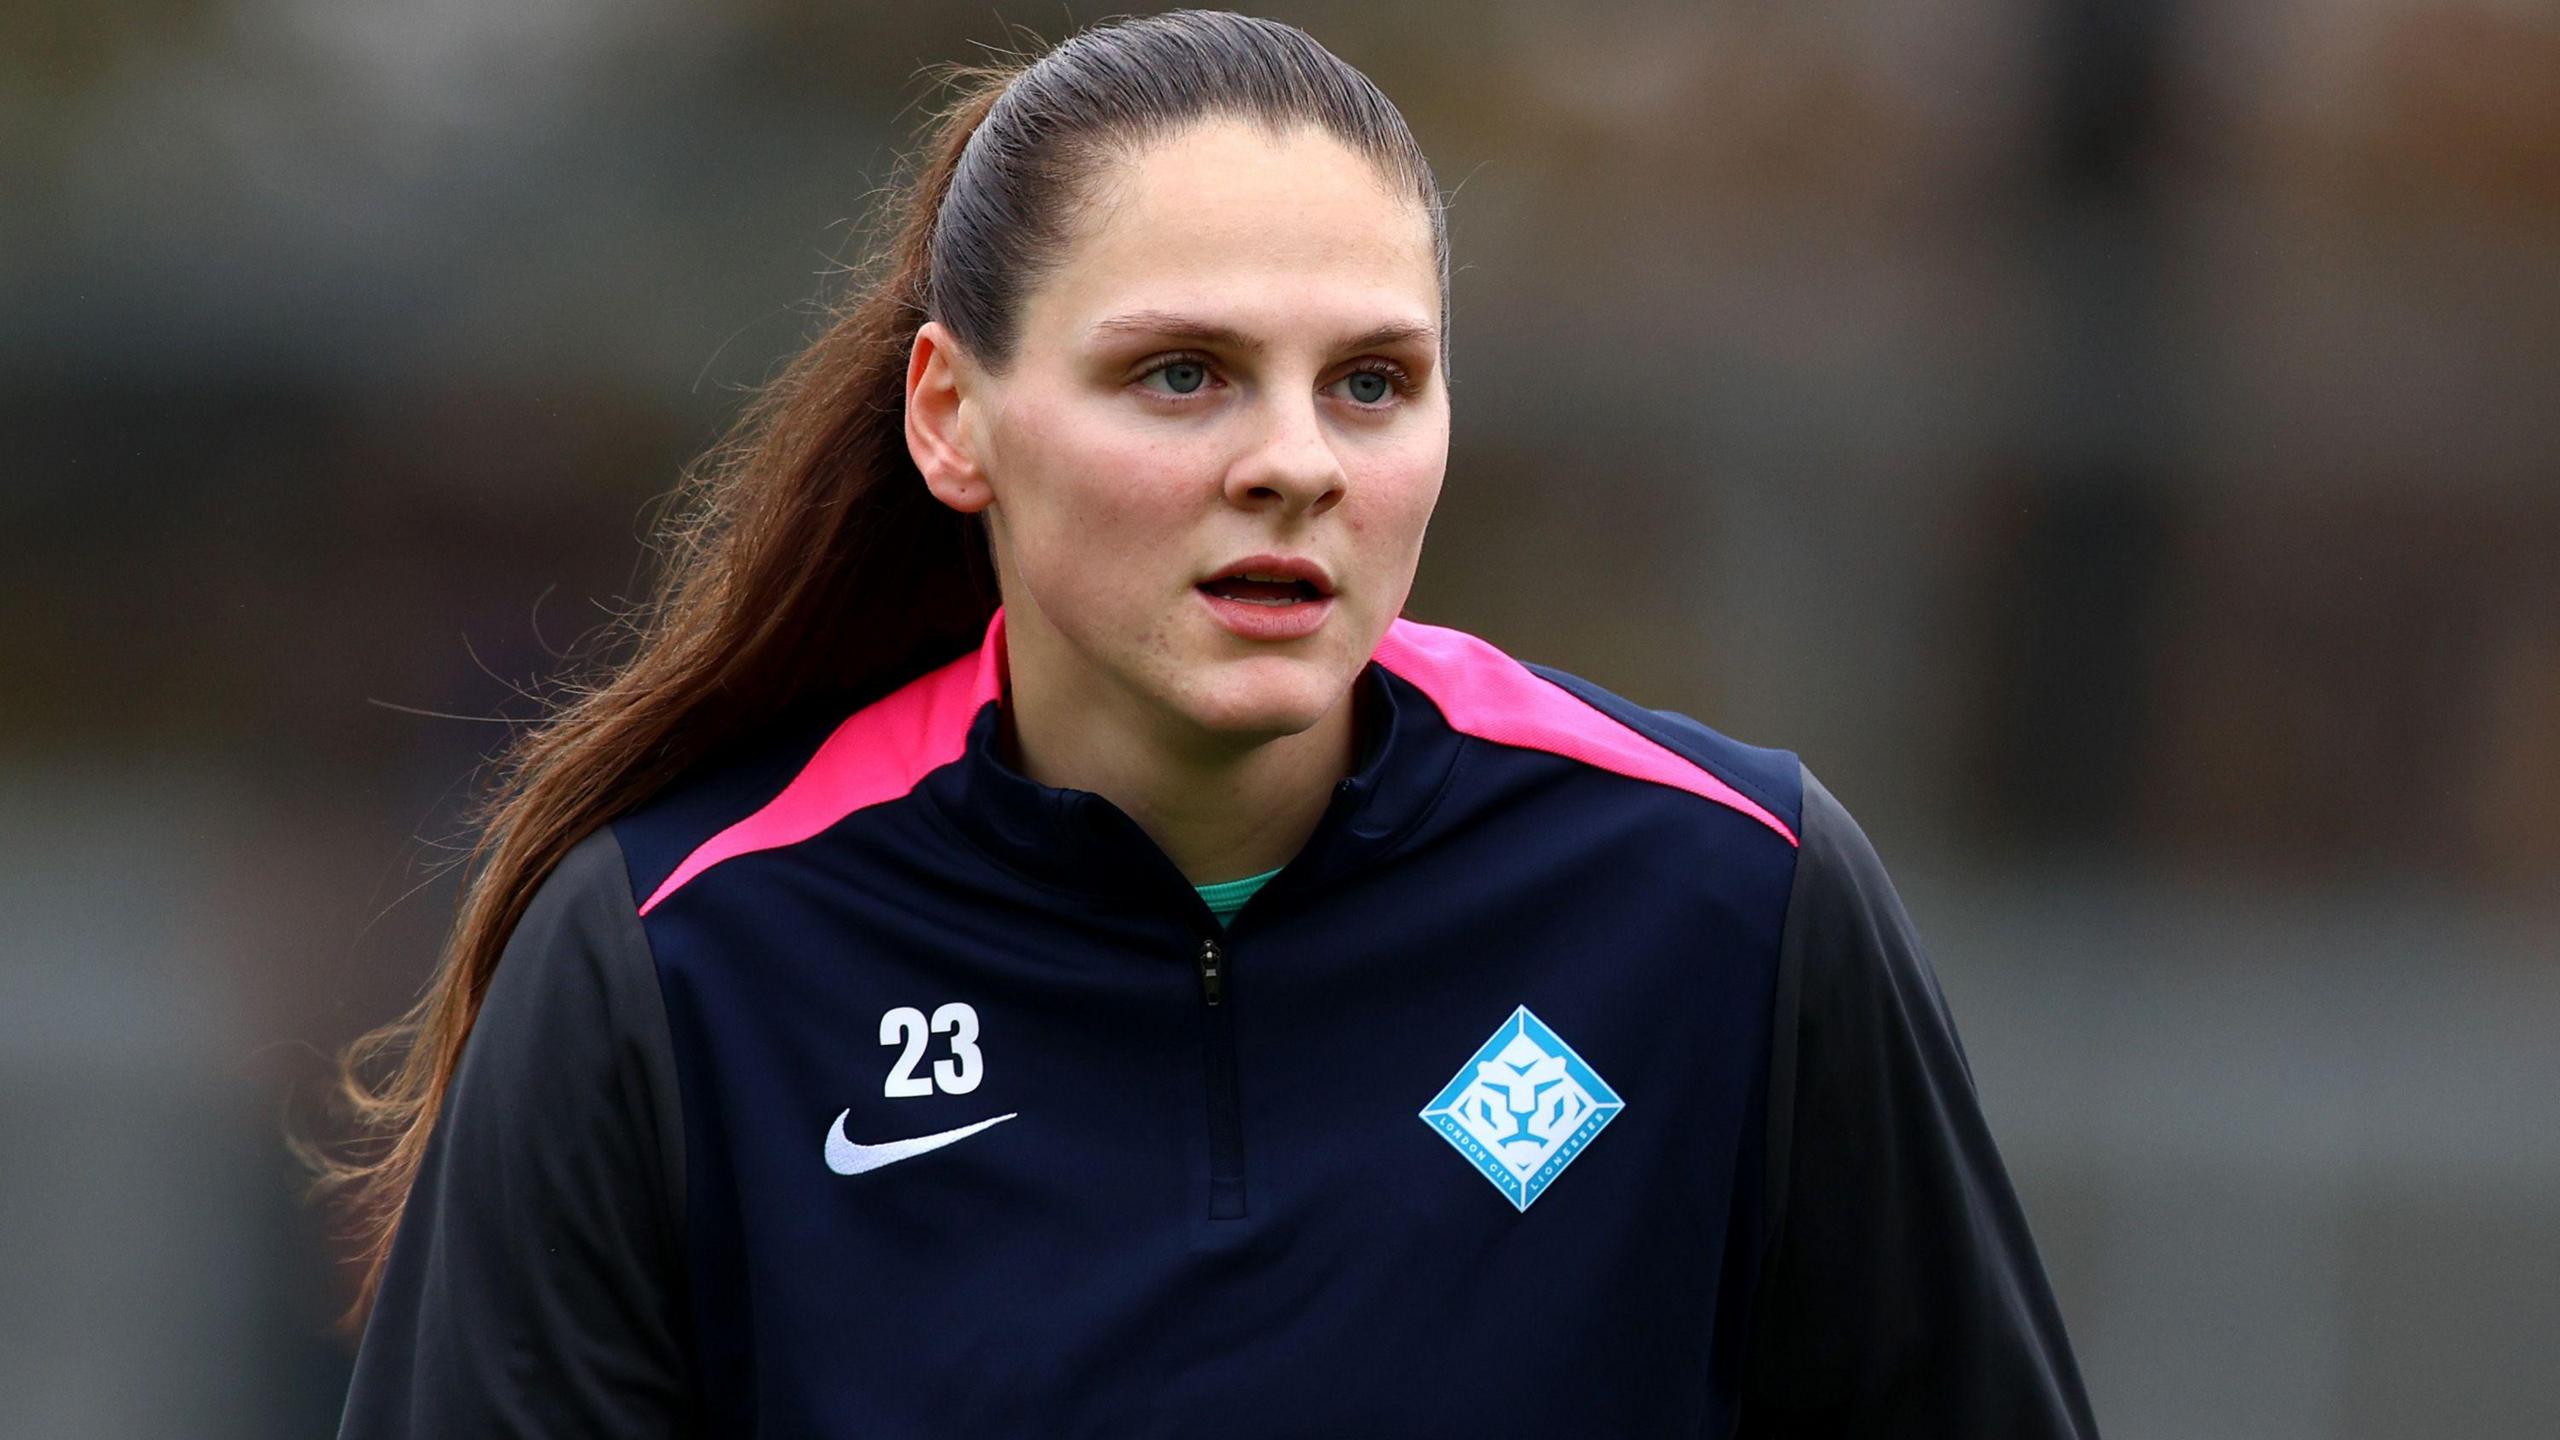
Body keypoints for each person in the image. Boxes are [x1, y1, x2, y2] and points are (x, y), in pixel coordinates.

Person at [325, 11, 2098, 1437]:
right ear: (953, 417)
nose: (1295, 463)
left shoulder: (1731, 898)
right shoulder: (681, 960)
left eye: (1373, 383)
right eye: (1182, 373)